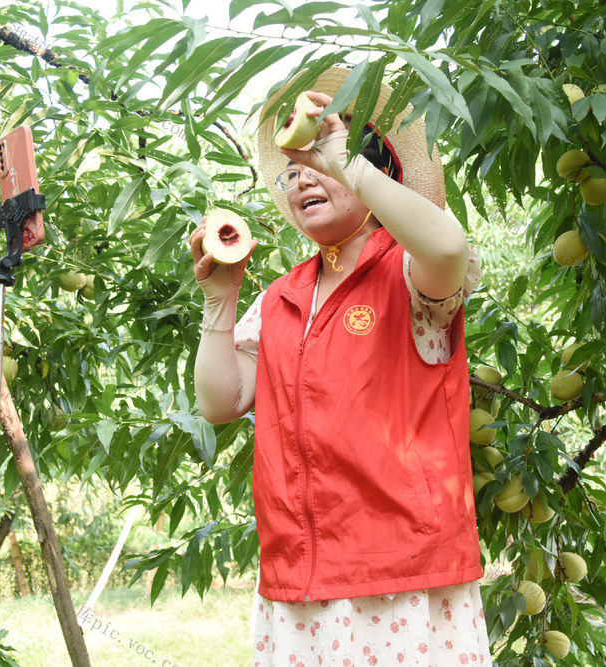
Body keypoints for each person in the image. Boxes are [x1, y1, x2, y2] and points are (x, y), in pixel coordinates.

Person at [190, 67, 492, 666]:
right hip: (299, 579)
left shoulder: (407, 272)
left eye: (318, 164)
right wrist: (220, 304)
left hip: (401, 578)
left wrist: (343, 159)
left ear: (373, 171)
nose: (302, 178)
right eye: (292, 171)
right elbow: (219, 403)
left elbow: (450, 250)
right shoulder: (279, 299)